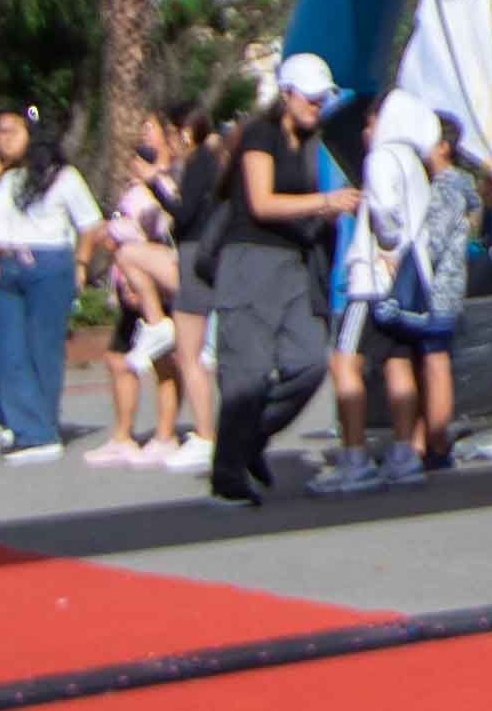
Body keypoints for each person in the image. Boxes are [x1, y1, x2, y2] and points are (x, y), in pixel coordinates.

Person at [201, 55, 362, 506]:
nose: (316, 106)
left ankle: (250, 437)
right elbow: (262, 203)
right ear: (287, 94)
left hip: (294, 263)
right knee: (246, 373)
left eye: (321, 98)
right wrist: (324, 202)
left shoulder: (315, 140)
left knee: (310, 360)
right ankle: (227, 473)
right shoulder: (260, 134)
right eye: (310, 98)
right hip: (248, 260)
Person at [322, 90, 466, 492]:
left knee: (345, 361)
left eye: (372, 122)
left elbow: (384, 212)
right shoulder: (417, 165)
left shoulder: (382, 158)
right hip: (406, 284)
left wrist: (388, 244)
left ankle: (354, 458)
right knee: (398, 362)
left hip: (371, 280)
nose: (368, 131)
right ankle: (404, 453)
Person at [0, 107, 92, 461]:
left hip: (49, 262)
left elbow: (90, 224)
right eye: (1, 132)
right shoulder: (5, 180)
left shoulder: (63, 176)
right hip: (8, 266)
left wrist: (82, 264)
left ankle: (40, 431)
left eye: (14, 131)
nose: (5, 138)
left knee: (44, 347)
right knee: (8, 349)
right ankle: (26, 425)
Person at [97, 111, 202, 466]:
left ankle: (165, 434)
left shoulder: (171, 178)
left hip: (155, 281)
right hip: (131, 278)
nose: (143, 135)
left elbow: (165, 226)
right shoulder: (137, 181)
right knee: (118, 358)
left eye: (150, 128)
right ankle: (123, 435)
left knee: (163, 362)